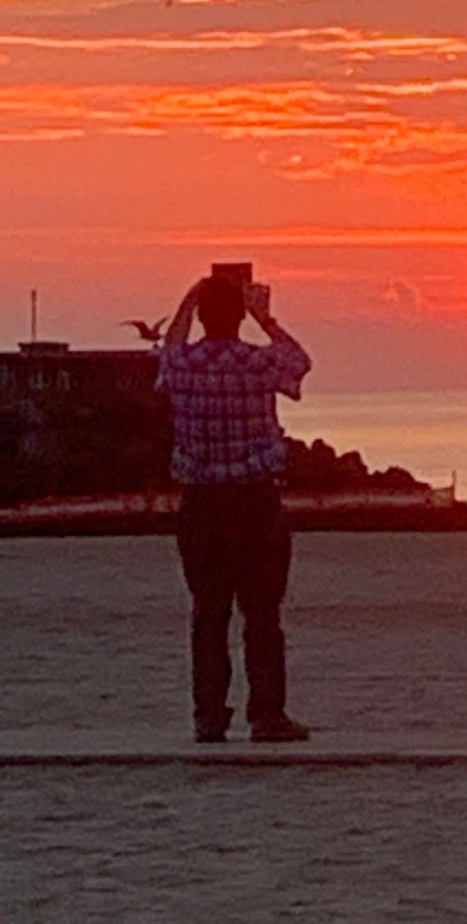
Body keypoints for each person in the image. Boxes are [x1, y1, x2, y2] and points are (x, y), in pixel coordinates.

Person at [157, 272, 312, 745]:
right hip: (255, 498)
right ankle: (266, 716)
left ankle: (208, 716)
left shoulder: (183, 365)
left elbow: (171, 345)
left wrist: (189, 298)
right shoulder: (256, 364)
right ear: (239, 316)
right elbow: (299, 362)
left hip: (201, 502)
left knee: (208, 612)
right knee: (262, 614)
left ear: (202, 316)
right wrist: (265, 317)